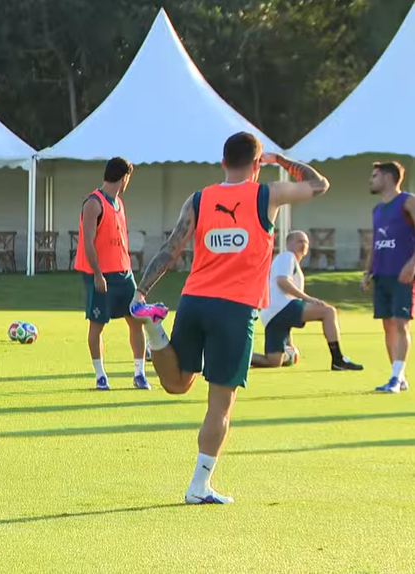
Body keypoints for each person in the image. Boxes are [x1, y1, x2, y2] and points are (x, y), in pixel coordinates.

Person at [129, 132, 331, 504]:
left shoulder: (199, 198)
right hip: (235, 311)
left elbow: (171, 249)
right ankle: (198, 486)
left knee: (177, 384)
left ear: (222, 162)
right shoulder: (266, 195)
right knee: (220, 404)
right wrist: (282, 161)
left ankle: (154, 328)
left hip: (193, 301)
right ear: (256, 165)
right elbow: (319, 185)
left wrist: (141, 291)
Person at [75, 157, 150, 390]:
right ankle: (100, 376)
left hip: (123, 274)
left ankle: (139, 373)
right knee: (97, 325)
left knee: (136, 320)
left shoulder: (119, 203)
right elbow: (87, 242)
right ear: (123, 177)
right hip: (101, 275)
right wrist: (97, 274)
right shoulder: (93, 203)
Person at [252, 230, 362, 370]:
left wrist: (289, 340)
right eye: (299, 241)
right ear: (289, 244)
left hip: (272, 315)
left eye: (306, 242)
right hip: (280, 308)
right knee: (328, 312)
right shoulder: (287, 256)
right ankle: (338, 360)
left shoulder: (289, 262)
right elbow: (282, 281)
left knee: (273, 361)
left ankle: (235, 357)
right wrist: (307, 298)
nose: (303, 244)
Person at [362, 161, 415, 393]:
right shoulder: (377, 209)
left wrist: (412, 264)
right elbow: (375, 243)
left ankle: (396, 377)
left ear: (388, 177)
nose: (370, 180)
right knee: (388, 326)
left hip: (402, 274)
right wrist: (367, 271)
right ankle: (397, 376)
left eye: (374, 176)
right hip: (381, 274)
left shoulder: (407, 201)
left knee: (401, 324)